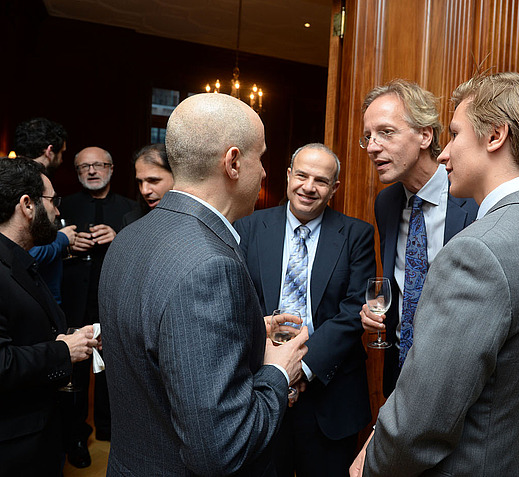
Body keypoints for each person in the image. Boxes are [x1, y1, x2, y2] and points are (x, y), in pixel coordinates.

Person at [351, 72, 519, 477]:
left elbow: (421, 425)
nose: (444, 153)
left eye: (455, 134)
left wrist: (372, 464)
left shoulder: (477, 250)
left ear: (495, 136)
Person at [99, 92, 309, 476]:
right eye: (260, 157)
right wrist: (278, 371)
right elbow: (221, 448)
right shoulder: (210, 265)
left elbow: (159, 337)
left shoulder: (130, 235)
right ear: (233, 162)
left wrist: (244, 332)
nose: (265, 173)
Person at [235, 143, 375, 477]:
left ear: (334, 188)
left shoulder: (356, 234)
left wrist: (301, 367)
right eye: (301, 175)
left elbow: (353, 310)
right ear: (288, 176)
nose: (308, 187)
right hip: (261, 387)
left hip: (330, 390)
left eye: (321, 181)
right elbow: (240, 301)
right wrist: (275, 367)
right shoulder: (248, 227)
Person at [359, 79, 478, 396]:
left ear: (425, 135)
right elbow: (400, 282)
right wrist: (376, 312)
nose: (372, 147)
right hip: (399, 373)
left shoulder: (472, 200)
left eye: (386, 132)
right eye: (368, 136)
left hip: (457, 378)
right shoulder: (386, 203)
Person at [0, 157, 97, 476]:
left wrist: (69, 337)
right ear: (27, 205)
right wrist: (62, 350)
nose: (57, 211)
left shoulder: (20, 260)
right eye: (53, 201)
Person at [59, 146, 137, 467]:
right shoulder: (63, 205)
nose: (92, 171)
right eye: (84, 167)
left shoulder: (131, 209)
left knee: (114, 370)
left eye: (98, 165)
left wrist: (120, 237)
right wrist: (66, 245)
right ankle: (77, 437)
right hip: (73, 304)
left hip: (115, 303)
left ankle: (111, 430)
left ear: (111, 168)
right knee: (75, 373)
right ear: (77, 172)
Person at [14, 117, 77, 303]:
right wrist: (63, 239)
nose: (62, 159)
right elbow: (23, 252)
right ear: (50, 151)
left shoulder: (17, 178)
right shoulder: (24, 183)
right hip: (33, 297)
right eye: (61, 153)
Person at [122, 143, 174, 226]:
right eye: (140, 182)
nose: (144, 191)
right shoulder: (131, 221)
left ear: (176, 177)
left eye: (153, 180)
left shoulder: (194, 219)